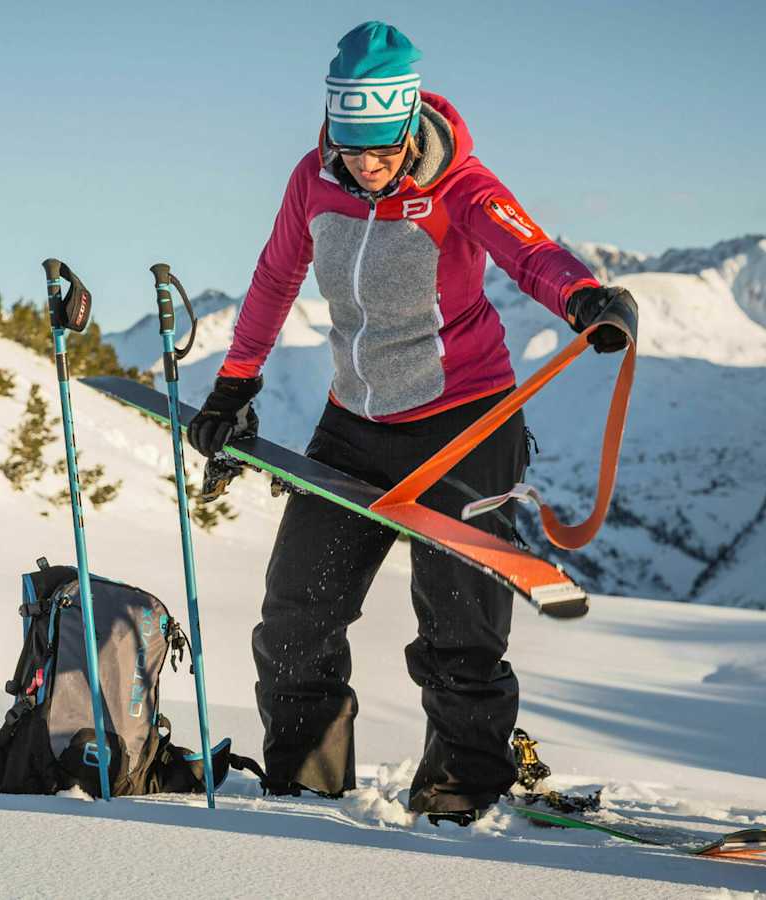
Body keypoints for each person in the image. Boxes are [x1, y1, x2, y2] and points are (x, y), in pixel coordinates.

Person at [186, 21, 637, 821]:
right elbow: (274, 277)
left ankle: (462, 793)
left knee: (460, 632)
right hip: (354, 423)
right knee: (297, 612)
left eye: (381, 150)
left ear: (407, 122)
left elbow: (527, 250)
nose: (366, 165)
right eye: (352, 148)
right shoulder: (313, 180)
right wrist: (233, 384)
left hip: (464, 426)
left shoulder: (460, 182)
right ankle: (304, 786)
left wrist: (584, 298)